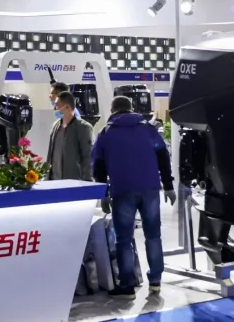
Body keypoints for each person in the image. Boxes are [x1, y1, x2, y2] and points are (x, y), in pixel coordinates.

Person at [92, 96, 175, 298]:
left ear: (113, 111)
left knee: (124, 239)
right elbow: (163, 156)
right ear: (132, 108)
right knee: (153, 235)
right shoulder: (148, 129)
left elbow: (98, 164)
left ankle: (127, 285)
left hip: (122, 190)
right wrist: (168, 186)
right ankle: (155, 281)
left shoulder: (106, 133)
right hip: (150, 189)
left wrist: (103, 193)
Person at [48, 91, 93, 181]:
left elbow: (87, 157)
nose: (54, 108)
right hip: (54, 181)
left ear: (67, 107)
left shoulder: (83, 128)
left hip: (74, 182)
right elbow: (50, 154)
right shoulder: (55, 126)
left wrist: (87, 181)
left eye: (57, 105)